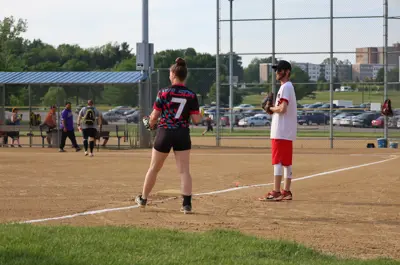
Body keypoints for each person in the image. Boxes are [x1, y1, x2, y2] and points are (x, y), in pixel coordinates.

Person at [135, 57, 202, 214]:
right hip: (182, 133)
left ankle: (143, 199)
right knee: (184, 170)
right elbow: (196, 119)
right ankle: (186, 205)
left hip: (165, 132)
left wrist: (150, 123)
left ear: (173, 74)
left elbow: (154, 117)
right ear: (185, 75)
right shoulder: (191, 95)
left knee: (154, 168)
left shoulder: (163, 92)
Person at [259, 60, 297, 201]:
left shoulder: (285, 87)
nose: (277, 72)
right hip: (286, 130)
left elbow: (282, 109)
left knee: (278, 162)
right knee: (286, 162)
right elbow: (281, 109)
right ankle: (286, 191)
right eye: (276, 70)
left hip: (280, 131)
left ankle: (276, 191)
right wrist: (273, 109)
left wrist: (270, 109)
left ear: (287, 72)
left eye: (280, 70)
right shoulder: (287, 87)